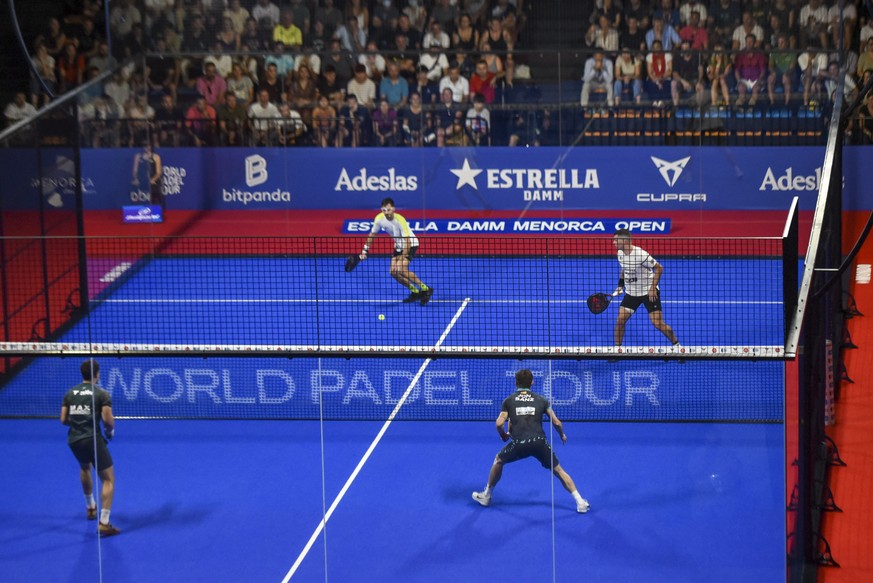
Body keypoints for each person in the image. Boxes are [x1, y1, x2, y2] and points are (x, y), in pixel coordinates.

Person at [471, 369, 590, 514]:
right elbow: (557, 423)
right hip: (540, 443)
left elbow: (498, 423)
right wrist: (562, 435)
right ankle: (580, 502)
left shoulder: (508, 401)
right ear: (532, 382)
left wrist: (503, 434)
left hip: (519, 444)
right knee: (559, 470)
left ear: (516, 383)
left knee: (498, 461)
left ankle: (487, 496)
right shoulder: (542, 400)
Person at [60, 360, 120, 537]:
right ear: (97, 374)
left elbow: (63, 420)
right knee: (108, 480)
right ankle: (104, 522)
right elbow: (108, 421)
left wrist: (80, 422)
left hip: (74, 440)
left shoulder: (70, 394)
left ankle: (90, 507)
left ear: (82, 373)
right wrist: (110, 432)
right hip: (92, 440)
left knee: (84, 466)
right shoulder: (101, 394)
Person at [612, 229, 680, 348]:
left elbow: (659, 268)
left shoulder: (640, 254)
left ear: (624, 240)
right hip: (632, 293)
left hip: (648, 292)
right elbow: (624, 269)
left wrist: (652, 289)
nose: (613, 242)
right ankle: (617, 350)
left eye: (616, 240)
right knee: (620, 321)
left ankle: (677, 346)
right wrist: (620, 285)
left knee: (658, 323)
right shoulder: (620, 253)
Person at [359, 198, 433, 304]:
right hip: (398, 246)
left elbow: (408, 242)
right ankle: (415, 291)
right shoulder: (379, 219)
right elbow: (372, 234)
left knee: (401, 269)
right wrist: (365, 250)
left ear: (393, 209)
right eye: (384, 210)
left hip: (411, 244)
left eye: (388, 210)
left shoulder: (400, 220)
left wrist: (401, 258)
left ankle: (426, 289)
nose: (386, 213)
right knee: (393, 272)